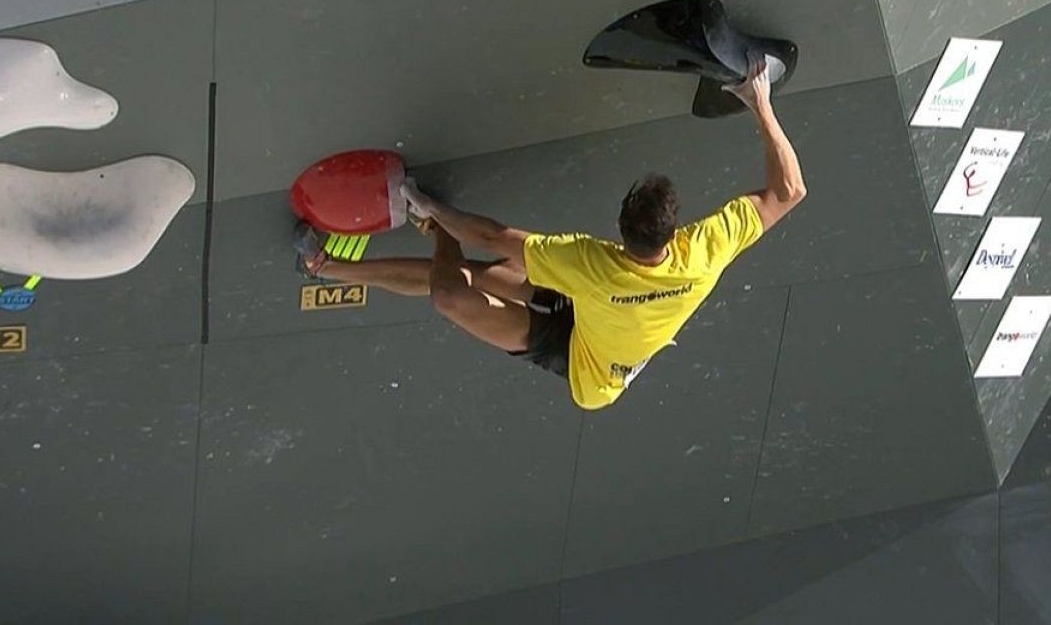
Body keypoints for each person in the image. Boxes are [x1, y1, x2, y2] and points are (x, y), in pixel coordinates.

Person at [292, 59, 806, 410]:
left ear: (621, 232)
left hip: (586, 368)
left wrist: (432, 207)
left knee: (451, 294)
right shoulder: (703, 254)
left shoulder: (592, 260)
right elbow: (787, 194)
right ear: (674, 235)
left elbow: (493, 234)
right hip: (588, 306)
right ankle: (340, 262)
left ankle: (408, 237)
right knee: (481, 275)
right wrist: (759, 103)